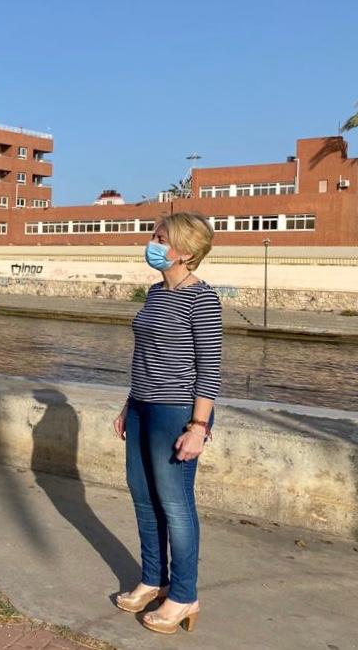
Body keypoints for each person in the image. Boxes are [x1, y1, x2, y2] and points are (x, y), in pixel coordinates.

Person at [112, 212, 222, 635]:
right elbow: (145, 356)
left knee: (176, 504)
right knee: (143, 497)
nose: (152, 244)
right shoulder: (156, 293)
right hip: (142, 406)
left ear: (186, 252)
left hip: (176, 412)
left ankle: (184, 594)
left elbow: (209, 370)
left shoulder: (202, 299)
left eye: (161, 239)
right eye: (154, 236)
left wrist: (198, 427)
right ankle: (153, 579)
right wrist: (129, 404)